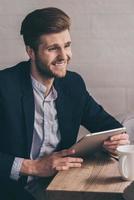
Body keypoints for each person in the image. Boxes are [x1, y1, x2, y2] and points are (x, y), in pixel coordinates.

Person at [0, 7, 129, 200]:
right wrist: (33, 166)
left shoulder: (73, 84)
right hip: (13, 190)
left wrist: (116, 141)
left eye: (67, 45)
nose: (64, 56)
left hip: (62, 183)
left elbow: (109, 126)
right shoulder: (4, 86)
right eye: (53, 48)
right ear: (31, 52)